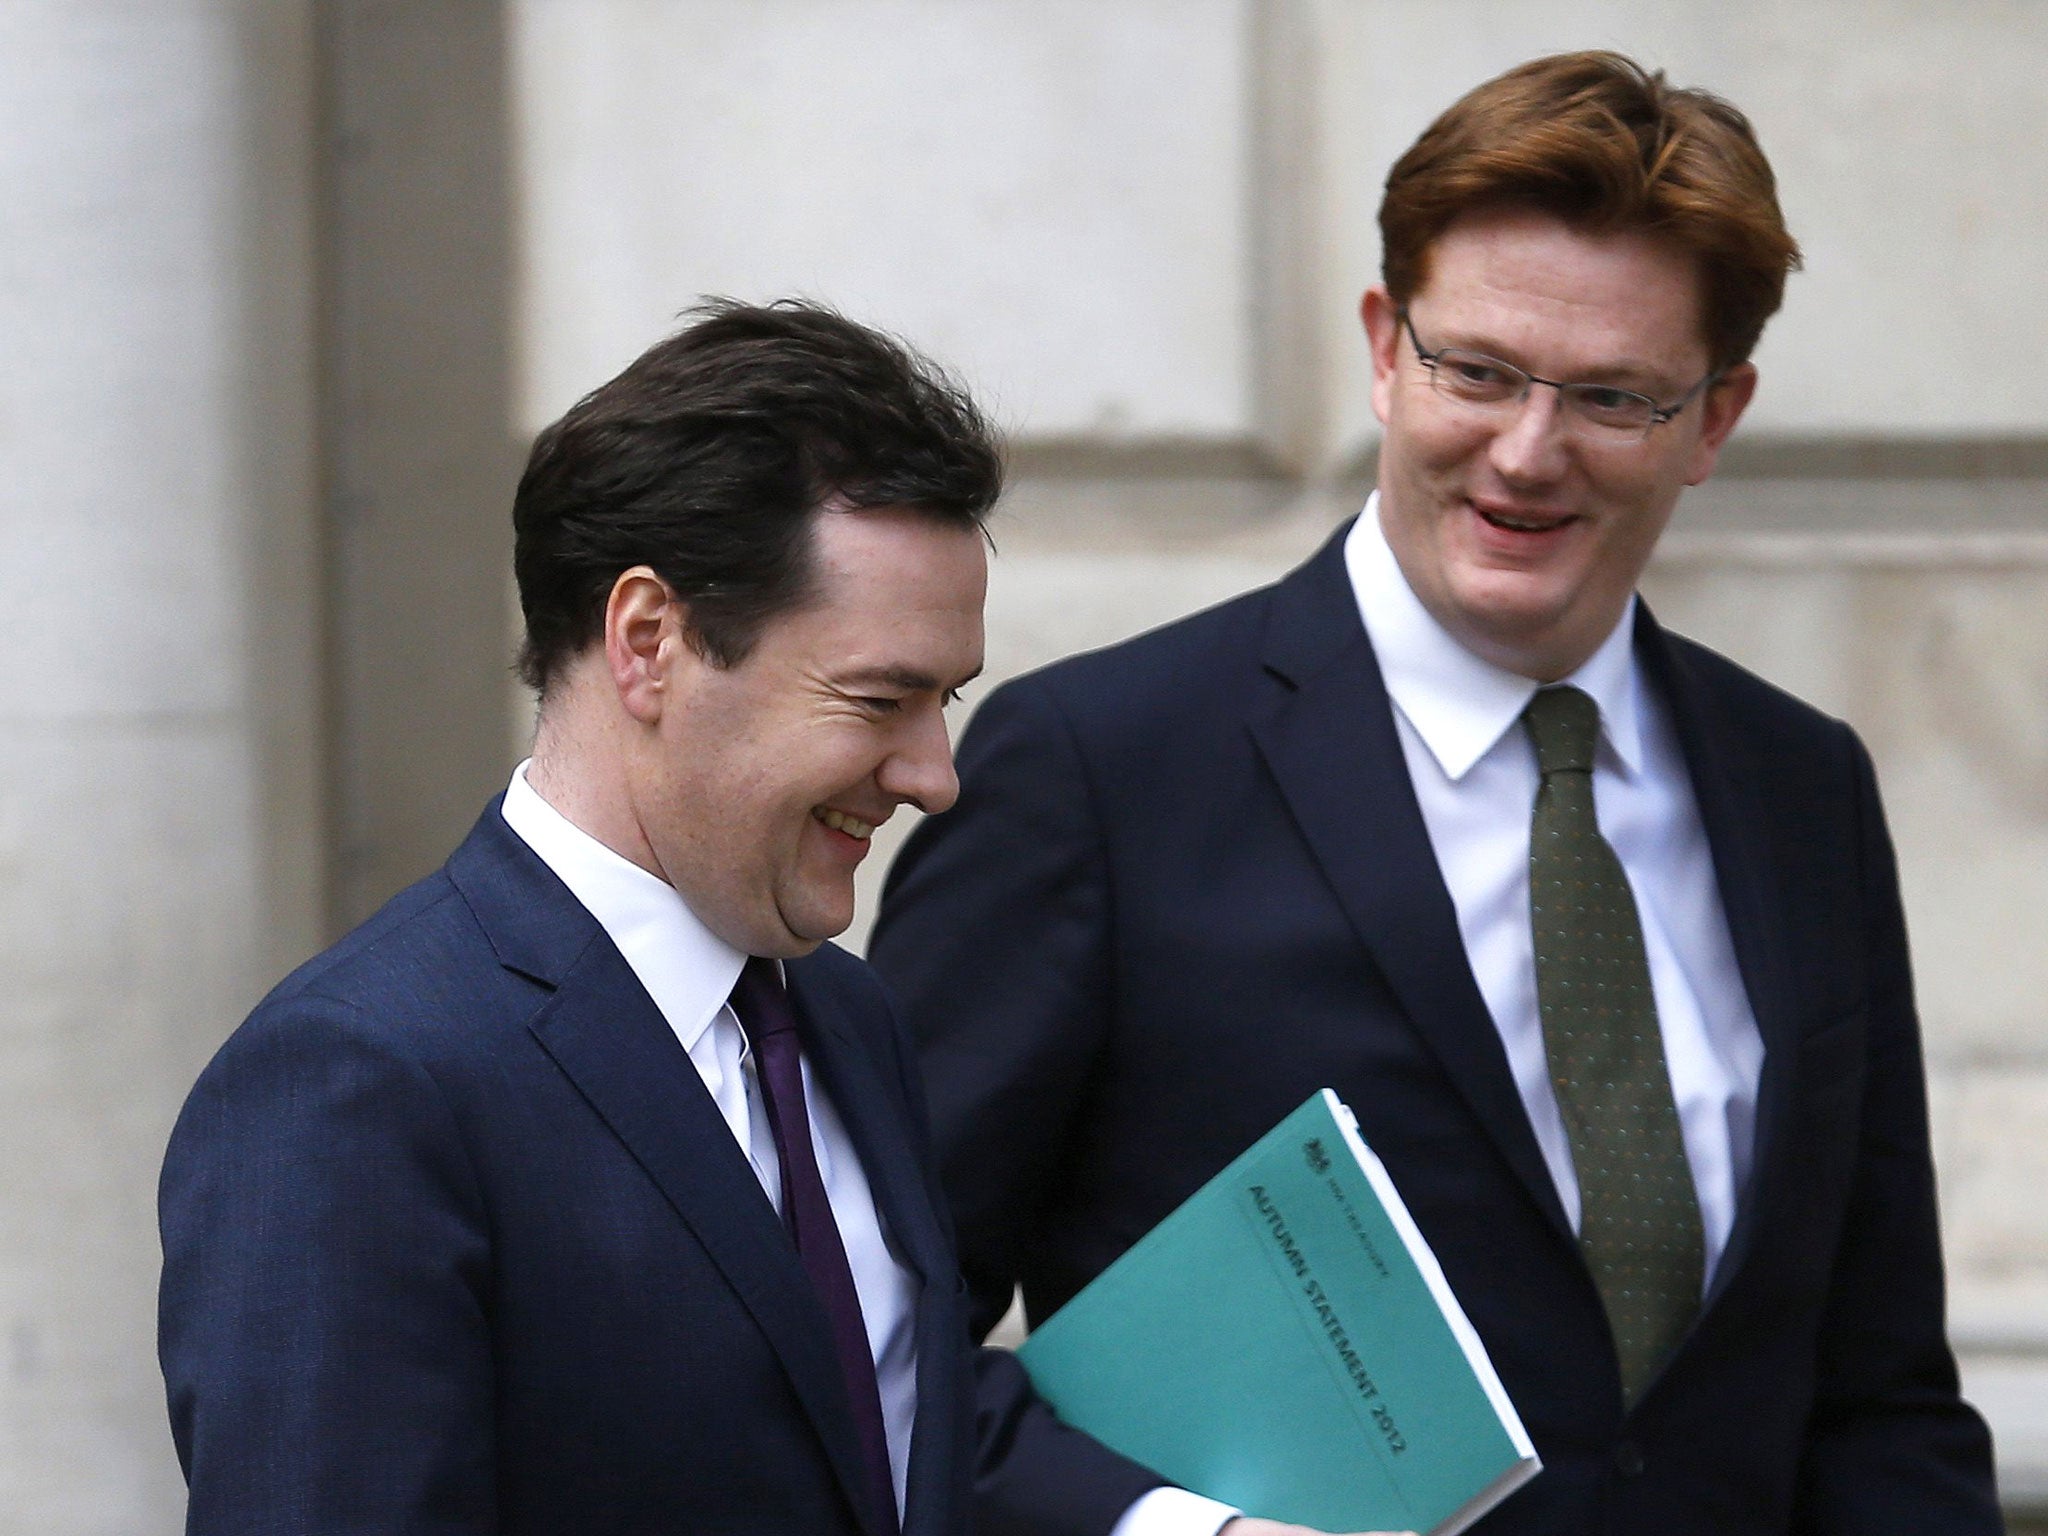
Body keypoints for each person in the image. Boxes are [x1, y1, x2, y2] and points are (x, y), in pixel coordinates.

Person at [870, 51, 2001, 1536]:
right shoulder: (1098, 770)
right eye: (1476, 369)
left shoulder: (1804, 791)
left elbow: (1880, 1396)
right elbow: (869, 1342)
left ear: (1714, 419)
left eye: (1613, 396)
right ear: (1383, 349)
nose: (1527, 452)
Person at [159, 299, 1003, 1535]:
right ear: (648, 641)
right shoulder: (357, 1079)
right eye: (881, 699)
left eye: (947, 703)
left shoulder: (849, 1019)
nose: (935, 775)